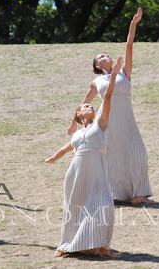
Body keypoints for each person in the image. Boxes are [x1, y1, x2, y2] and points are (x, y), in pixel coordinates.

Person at [66, 8, 154, 204]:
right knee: (113, 159)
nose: (106, 56)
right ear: (98, 65)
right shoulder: (96, 82)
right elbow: (84, 104)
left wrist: (133, 24)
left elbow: (129, 46)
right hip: (108, 124)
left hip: (128, 122)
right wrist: (74, 124)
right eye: (102, 56)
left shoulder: (124, 72)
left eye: (107, 54)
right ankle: (117, 195)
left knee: (139, 153)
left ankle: (139, 194)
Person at [46, 57, 124, 258]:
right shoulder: (78, 135)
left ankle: (102, 246)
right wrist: (52, 159)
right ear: (79, 116)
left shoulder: (101, 124)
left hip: (98, 171)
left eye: (91, 107)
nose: (90, 107)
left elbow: (106, 98)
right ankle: (66, 244)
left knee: (104, 206)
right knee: (74, 206)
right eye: (85, 107)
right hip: (77, 173)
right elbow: (64, 150)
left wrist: (114, 74)